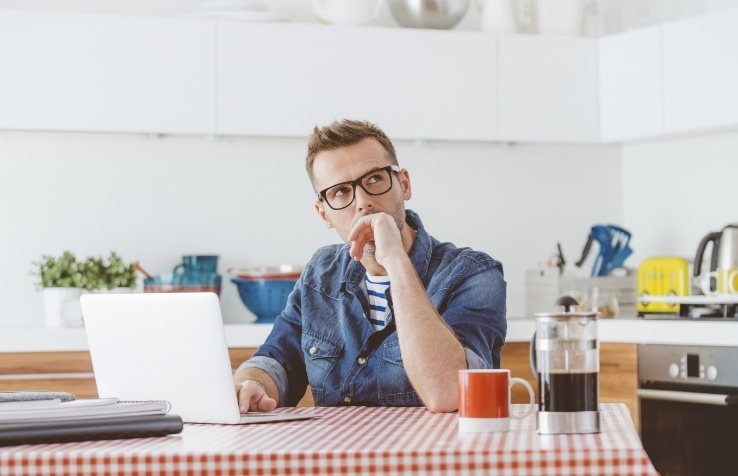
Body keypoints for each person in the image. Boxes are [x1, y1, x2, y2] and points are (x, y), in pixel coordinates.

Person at [234, 119, 506, 413]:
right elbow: (277, 360)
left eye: (374, 179)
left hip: (431, 458)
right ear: (323, 213)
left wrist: (395, 261)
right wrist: (252, 384)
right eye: (341, 192)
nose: (363, 202)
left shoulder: (474, 274)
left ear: (404, 184)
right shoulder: (320, 273)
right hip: (337, 457)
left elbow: (449, 393)